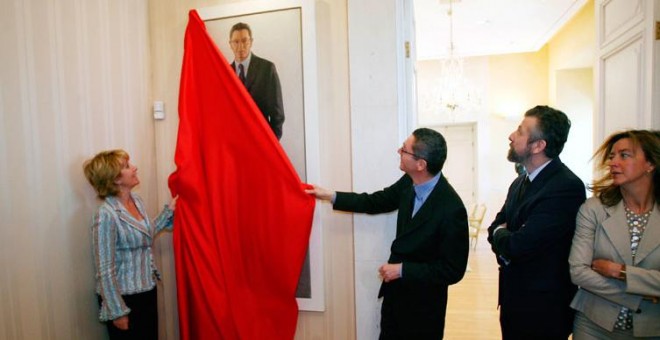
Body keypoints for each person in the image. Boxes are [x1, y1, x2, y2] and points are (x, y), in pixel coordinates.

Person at [306, 128, 469, 339]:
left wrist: (403, 270)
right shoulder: (408, 183)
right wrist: (331, 195)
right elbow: (375, 201)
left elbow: (452, 270)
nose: (398, 151)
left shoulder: (451, 208)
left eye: (404, 150)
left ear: (421, 164)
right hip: (395, 298)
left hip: (424, 309)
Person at [487, 105, 586, 339]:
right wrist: (504, 235)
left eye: (520, 132)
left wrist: (504, 236)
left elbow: (519, 245)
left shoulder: (565, 186)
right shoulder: (519, 182)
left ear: (538, 145)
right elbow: (493, 228)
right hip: (513, 301)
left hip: (544, 310)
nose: (511, 136)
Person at [569, 130, 660, 339]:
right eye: (611, 156)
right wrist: (642, 296)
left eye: (624, 155)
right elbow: (579, 271)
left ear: (650, 164)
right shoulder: (594, 209)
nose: (613, 162)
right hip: (593, 326)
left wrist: (620, 271)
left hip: (652, 329)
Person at [83, 149, 176, 339]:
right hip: (123, 299)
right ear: (116, 179)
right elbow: (104, 270)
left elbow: (145, 234)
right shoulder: (105, 215)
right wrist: (118, 311)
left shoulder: (137, 201)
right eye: (127, 166)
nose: (134, 168)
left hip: (147, 290)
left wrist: (170, 211)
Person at [229, 22, 285, 140]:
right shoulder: (225, 73)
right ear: (230, 44)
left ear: (251, 42)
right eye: (236, 42)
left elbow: (277, 115)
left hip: (261, 143)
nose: (240, 47)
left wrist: (270, 145)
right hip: (234, 146)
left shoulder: (267, 69)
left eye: (244, 41)